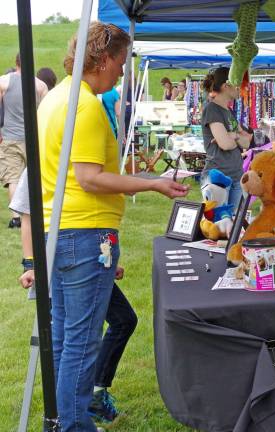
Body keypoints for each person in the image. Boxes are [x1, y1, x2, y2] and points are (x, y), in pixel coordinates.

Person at [38, 22, 188, 432]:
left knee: (67, 339)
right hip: (85, 234)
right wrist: (153, 184)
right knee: (82, 343)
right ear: (102, 58)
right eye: (120, 63)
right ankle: (73, 424)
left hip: (61, 232)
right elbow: (89, 177)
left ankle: (60, 419)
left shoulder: (56, 98)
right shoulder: (83, 105)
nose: (122, 72)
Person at [11, 170, 137, 425]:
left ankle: (85, 401)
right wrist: (30, 263)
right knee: (72, 341)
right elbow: (27, 215)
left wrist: (106, 262)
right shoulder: (48, 150)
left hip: (88, 255)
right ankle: (70, 419)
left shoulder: (80, 159)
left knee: (119, 321)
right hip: (64, 257)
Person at [0, 53, 48, 228]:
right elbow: (45, 114)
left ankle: (16, 218)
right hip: (33, 139)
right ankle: (37, 212)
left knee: (13, 178)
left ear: (16, 63)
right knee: (34, 177)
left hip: (10, 138)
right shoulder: (40, 85)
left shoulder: (4, 81)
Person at [200, 66, 252, 209]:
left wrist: (232, 136)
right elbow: (225, 144)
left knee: (233, 226)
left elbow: (247, 142)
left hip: (236, 175)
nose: (242, 88)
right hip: (217, 177)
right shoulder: (211, 109)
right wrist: (235, 136)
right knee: (217, 226)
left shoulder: (228, 111)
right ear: (226, 86)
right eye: (239, 84)